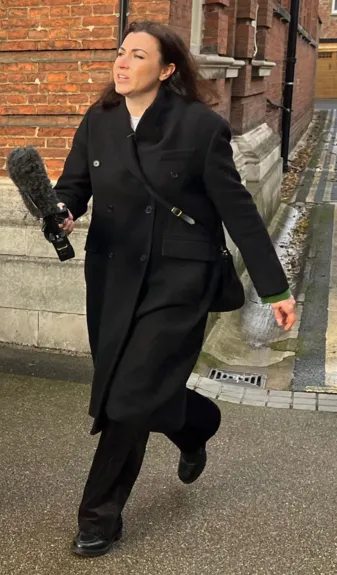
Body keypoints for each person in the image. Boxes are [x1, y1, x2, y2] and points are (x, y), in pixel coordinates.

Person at [53, 20, 297, 558]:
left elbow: (238, 211)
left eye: (137, 55)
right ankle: (197, 422)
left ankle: (99, 515)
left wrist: (275, 289)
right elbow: (74, 185)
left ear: (165, 70)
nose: (122, 62)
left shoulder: (198, 127)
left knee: (128, 396)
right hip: (113, 277)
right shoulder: (99, 120)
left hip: (178, 280)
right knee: (129, 385)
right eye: (120, 53)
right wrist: (64, 210)